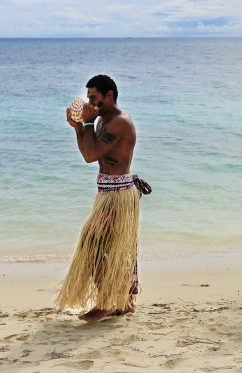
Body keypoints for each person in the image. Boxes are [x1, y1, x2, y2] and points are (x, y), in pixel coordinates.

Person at [57, 74, 151, 322]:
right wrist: (80, 127)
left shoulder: (119, 122)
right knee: (111, 248)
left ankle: (108, 302)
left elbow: (90, 156)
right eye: (89, 98)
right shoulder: (101, 122)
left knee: (94, 246)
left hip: (118, 196)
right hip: (108, 193)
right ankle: (123, 302)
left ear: (110, 95)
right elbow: (90, 154)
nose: (91, 104)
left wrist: (87, 124)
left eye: (94, 98)